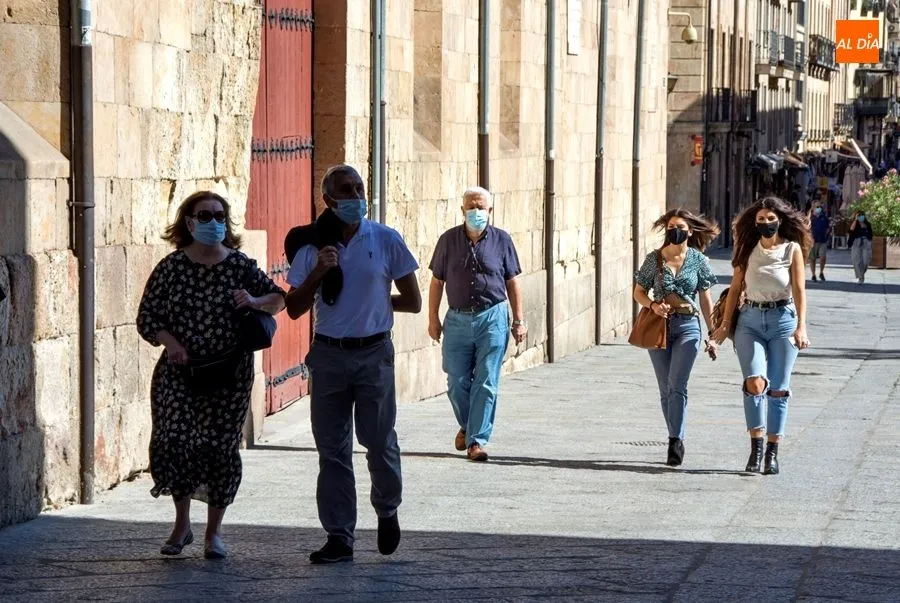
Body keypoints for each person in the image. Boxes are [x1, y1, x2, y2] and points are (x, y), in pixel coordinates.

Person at [137, 191, 286, 559]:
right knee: (176, 441)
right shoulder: (171, 268)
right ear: (189, 222)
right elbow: (147, 318)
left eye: (220, 215)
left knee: (219, 449)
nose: (214, 221)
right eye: (205, 215)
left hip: (229, 374)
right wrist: (170, 341)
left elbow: (278, 299)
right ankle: (182, 523)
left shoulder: (239, 266)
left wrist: (252, 302)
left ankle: (213, 533)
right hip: (179, 373)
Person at [285, 164, 421, 565]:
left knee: (378, 441)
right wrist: (318, 273)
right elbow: (293, 308)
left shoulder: (385, 239)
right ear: (328, 200)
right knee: (333, 449)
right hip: (328, 355)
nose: (356, 196)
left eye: (360, 188)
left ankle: (387, 507)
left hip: (373, 353)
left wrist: (377, 303)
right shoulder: (312, 247)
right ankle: (339, 536)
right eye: (346, 190)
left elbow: (412, 300)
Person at [712, 196, 811, 475]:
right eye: (761, 220)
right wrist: (724, 325)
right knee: (754, 382)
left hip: (783, 321)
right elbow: (734, 288)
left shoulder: (792, 250)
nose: (766, 223)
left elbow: (800, 290)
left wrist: (801, 326)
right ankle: (755, 448)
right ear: (754, 224)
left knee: (778, 388)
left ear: (779, 220)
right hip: (751, 321)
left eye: (770, 219)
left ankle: (772, 452)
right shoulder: (747, 250)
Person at [427, 187, 526, 463]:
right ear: (462, 210)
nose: (476, 211)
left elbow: (512, 282)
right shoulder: (447, 241)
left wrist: (518, 320)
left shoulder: (502, 241)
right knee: (456, 381)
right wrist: (432, 318)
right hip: (457, 319)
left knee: (486, 381)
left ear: (490, 211)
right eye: (471, 207)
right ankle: (468, 425)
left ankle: (476, 441)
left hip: (492, 317)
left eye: (481, 207)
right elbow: (437, 282)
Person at [633, 209, 720, 467]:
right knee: (665, 388)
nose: (675, 230)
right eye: (671, 226)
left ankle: (675, 440)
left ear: (690, 231)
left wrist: (713, 333)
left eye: (680, 226)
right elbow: (638, 292)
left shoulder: (699, 260)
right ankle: (674, 433)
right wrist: (651, 305)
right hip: (659, 326)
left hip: (688, 326)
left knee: (677, 384)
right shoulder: (654, 259)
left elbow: (705, 298)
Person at [848, 210, 874, 284]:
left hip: (866, 242)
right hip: (856, 242)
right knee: (857, 261)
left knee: (866, 260)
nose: (861, 217)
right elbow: (851, 231)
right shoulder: (854, 224)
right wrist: (856, 220)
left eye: (862, 215)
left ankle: (861, 274)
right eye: (859, 215)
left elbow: (871, 235)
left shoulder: (868, 224)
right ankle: (861, 277)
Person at [808, 200, 830, 282]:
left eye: (820, 207)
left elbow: (828, 228)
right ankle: (813, 274)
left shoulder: (824, 217)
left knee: (823, 257)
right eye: (817, 207)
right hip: (812, 241)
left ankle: (821, 272)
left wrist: (825, 235)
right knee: (812, 258)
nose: (819, 208)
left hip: (822, 240)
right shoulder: (810, 218)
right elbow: (806, 229)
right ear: (813, 208)